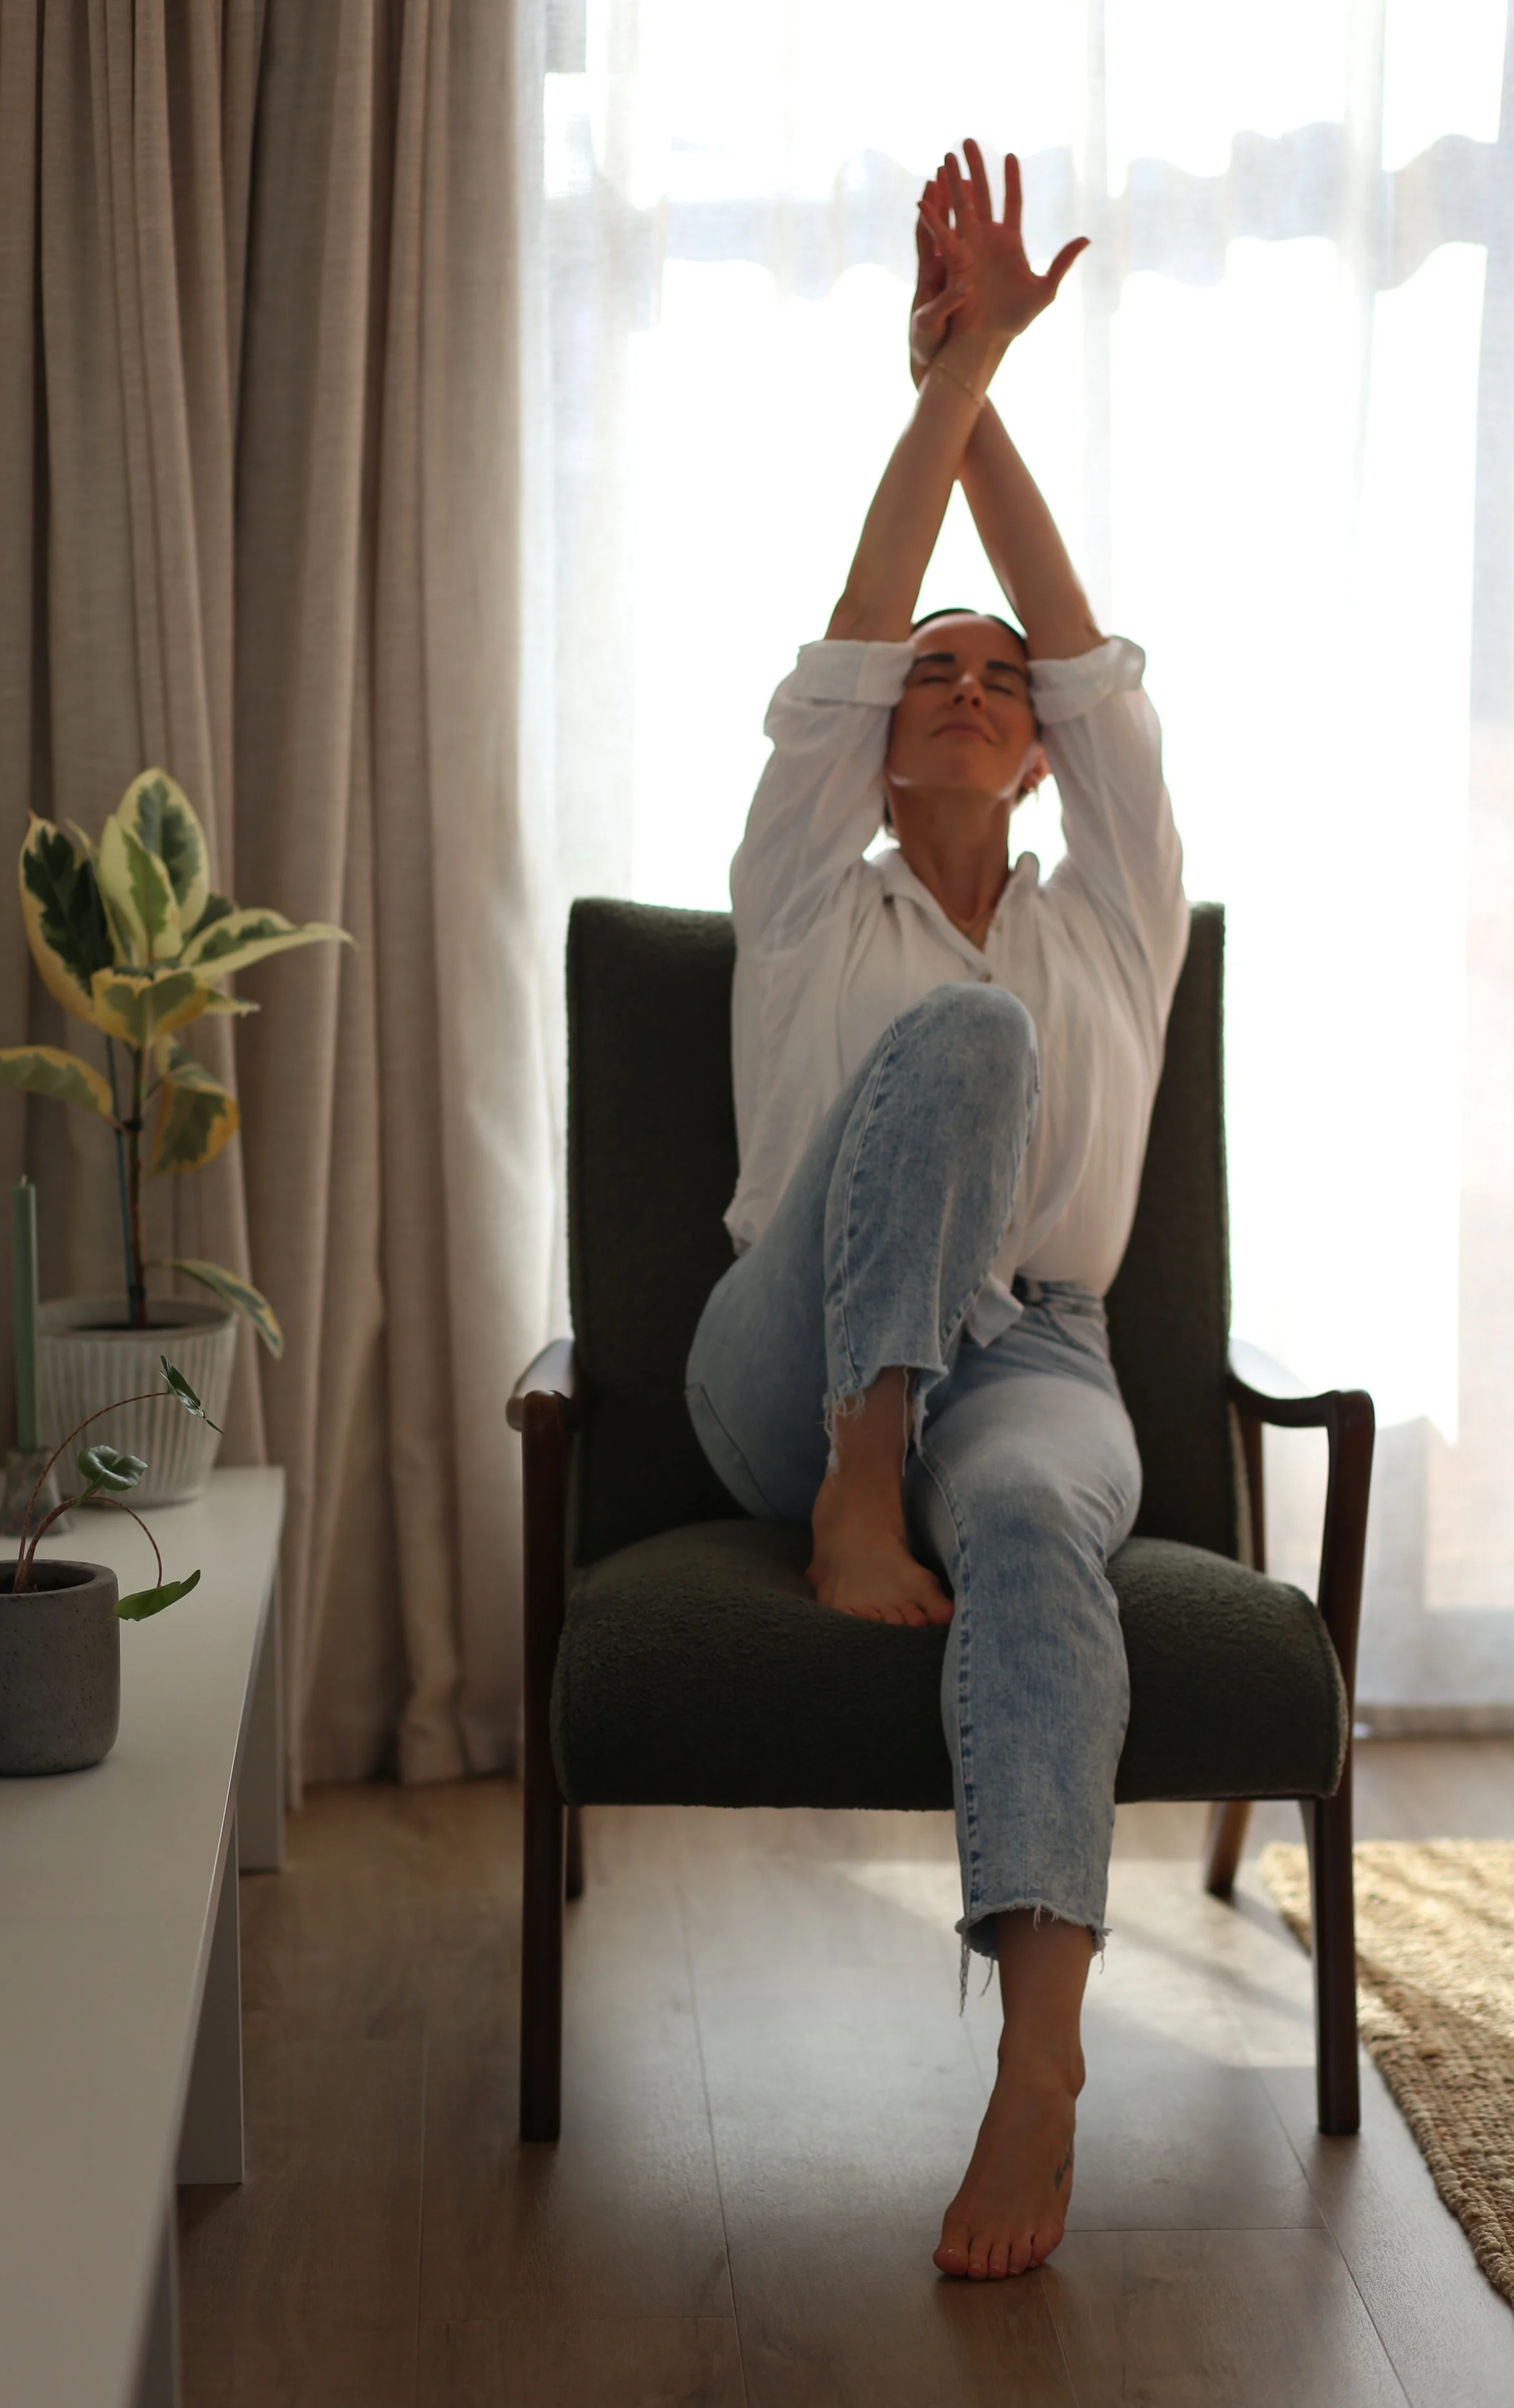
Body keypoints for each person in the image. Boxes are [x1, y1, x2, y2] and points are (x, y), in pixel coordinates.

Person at [683, 141, 1190, 2281]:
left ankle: (1041, 2055)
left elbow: (1092, 661)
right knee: (962, 1055)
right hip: (787, 1355)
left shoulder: (1115, 919)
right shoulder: (811, 887)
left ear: (1042, 758)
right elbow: (859, 621)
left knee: (1043, 1514)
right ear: (876, 755)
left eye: (1005, 687)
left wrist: (990, 377)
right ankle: (855, 1481)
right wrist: (937, 396)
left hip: (1031, 1352)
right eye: (931, 681)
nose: (976, 688)